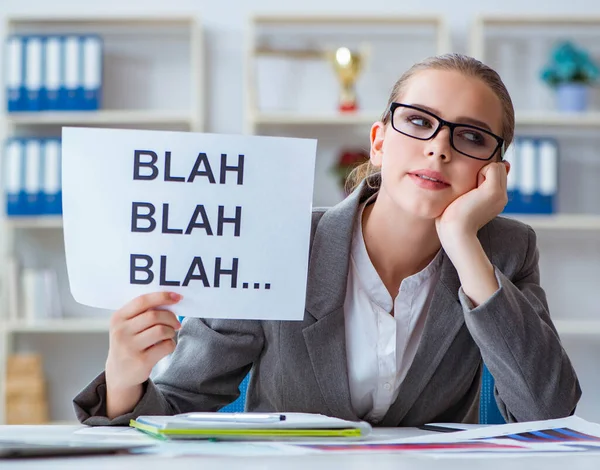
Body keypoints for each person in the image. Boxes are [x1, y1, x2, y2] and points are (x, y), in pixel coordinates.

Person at [74, 53, 581, 427]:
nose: (438, 149)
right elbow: (175, 407)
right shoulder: (277, 237)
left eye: (470, 137)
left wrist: (461, 240)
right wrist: (123, 379)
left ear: (493, 172)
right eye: (419, 122)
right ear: (379, 142)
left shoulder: (505, 251)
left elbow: (549, 410)